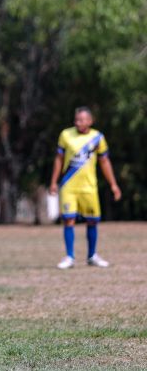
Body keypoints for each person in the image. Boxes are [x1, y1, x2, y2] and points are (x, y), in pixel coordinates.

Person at [49, 106, 122, 269]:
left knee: (92, 221)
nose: (78, 123)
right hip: (68, 185)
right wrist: (54, 182)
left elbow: (104, 162)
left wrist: (113, 185)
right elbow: (59, 160)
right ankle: (69, 257)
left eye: (82, 120)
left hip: (89, 187)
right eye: (76, 120)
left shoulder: (97, 138)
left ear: (90, 121)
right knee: (69, 219)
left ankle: (92, 255)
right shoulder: (66, 135)